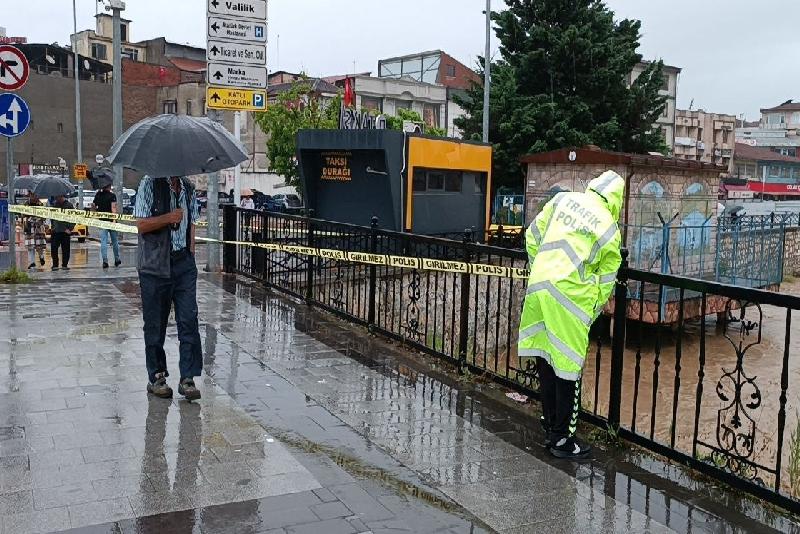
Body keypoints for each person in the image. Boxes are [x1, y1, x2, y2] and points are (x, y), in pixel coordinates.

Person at [518, 170, 624, 459]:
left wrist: (540, 268)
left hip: (539, 286)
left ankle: (551, 425)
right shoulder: (609, 228)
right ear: (616, 199)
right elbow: (606, 279)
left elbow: (532, 236)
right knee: (568, 369)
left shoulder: (563, 201)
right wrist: (592, 307)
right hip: (570, 299)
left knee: (546, 360)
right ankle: (563, 440)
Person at [134, 175, 202, 400]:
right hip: (155, 265)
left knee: (188, 320)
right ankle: (156, 376)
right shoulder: (149, 183)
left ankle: (188, 377)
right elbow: (141, 225)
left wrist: (191, 258)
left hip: (183, 263)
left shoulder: (189, 189)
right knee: (155, 324)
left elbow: (191, 225)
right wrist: (168, 218)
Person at [92, 184, 122, 269]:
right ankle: (117, 259)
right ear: (108, 186)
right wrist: (114, 220)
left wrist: (96, 213)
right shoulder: (112, 196)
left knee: (103, 242)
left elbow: (93, 206)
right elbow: (113, 209)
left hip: (102, 221)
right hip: (111, 221)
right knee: (115, 241)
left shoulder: (98, 195)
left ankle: (105, 261)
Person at [50, 194, 75, 271]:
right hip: (56, 231)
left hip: (65, 232)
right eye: (56, 197)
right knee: (54, 248)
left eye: (57, 197)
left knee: (66, 249)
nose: (56, 198)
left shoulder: (69, 205)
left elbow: (74, 218)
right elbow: (51, 217)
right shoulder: (54, 205)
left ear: (61, 196)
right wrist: (52, 226)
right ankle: (55, 264)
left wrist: (70, 229)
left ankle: (64, 264)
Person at [23, 192, 47, 269]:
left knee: (39, 245)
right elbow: (22, 214)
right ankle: (32, 262)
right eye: (31, 195)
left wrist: (39, 219)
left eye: (34, 195)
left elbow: (44, 216)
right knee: (30, 246)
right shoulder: (26, 204)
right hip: (29, 227)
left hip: (38, 227)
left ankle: (41, 257)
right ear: (29, 195)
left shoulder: (40, 204)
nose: (33, 197)